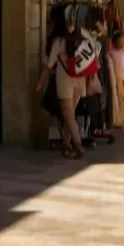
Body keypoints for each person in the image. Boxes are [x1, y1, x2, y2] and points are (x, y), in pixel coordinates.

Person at [34, 16, 86, 159]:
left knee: (68, 115)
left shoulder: (59, 41)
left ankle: (79, 146)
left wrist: (40, 82)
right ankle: (66, 144)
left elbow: (48, 65)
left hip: (65, 80)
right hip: (81, 79)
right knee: (71, 116)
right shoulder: (82, 39)